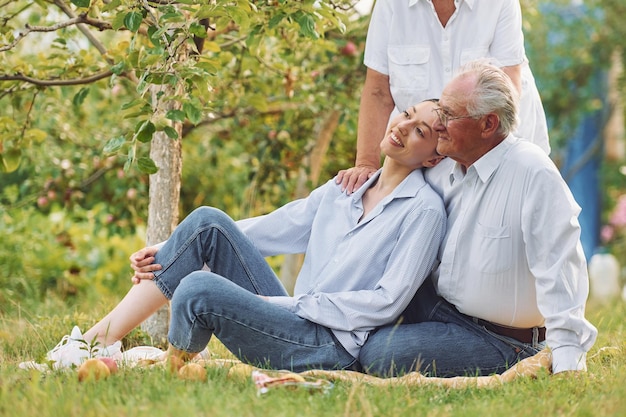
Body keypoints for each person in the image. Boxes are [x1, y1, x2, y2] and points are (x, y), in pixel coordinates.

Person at [20, 100, 447, 372]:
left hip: (329, 343)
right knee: (207, 220)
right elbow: (276, 228)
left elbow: (387, 301)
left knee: (199, 288)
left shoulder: (424, 211)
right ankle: (94, 343)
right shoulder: (347, 186)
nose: (403, 126)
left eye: (420, 132)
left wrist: (289, 304)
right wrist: (173, 248)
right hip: (290, 314)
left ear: (432, 158)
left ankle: (156, 357)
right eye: (407, 113)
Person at [358, 60, 598, 377]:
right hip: (438, 306)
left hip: (499, 338)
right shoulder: (444, 167)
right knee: (358, 315)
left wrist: (567, 362)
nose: (437, 124)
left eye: (449, 115)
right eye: (439, 111)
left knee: (379, 354)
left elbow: (560, 268)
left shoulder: (531, 171)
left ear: (488, 125)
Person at [338, 0, 550, 194]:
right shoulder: (391, 4)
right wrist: (366, 164)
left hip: (491, 144)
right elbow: (378, 91)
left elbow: (507, 86)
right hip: (427, 153)